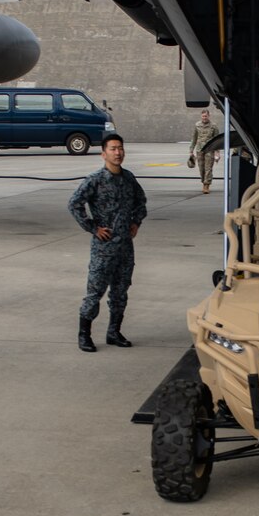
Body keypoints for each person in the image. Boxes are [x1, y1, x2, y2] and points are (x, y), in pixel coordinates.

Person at [68, 133, 149, 353]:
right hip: (103, 249)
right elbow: (74, 204)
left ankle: (114, 332)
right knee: (94, 292)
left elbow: (141, 202)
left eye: (120, 148)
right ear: (104, 153)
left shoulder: (128, 178)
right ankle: (84, 335)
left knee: (120, 292)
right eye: (113, 148)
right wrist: (93, 228)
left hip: (125, 248)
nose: (118, 152)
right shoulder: (95, 180)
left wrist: (136, 222)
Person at [188, 108, 221, 194]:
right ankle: (203, 182)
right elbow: (194, 138)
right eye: (203, 116)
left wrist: (217, 153)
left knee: (208, 168)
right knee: (201, 168)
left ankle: (206, 185)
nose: (204, 118)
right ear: (201, 116)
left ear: (209, 116)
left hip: (209, 150)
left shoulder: (214, 126)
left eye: (206, 116)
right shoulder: (197, 125)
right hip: (199, 150)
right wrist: (191, 150)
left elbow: (217, 140)